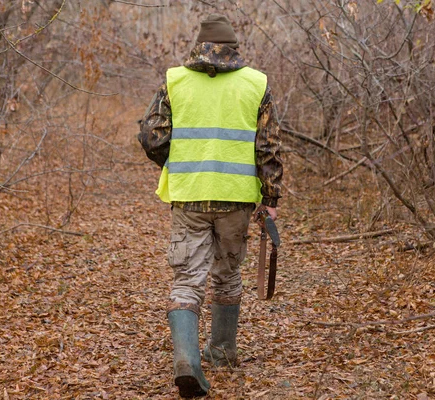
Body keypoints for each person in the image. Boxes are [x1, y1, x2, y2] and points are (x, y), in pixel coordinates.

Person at [137, 13, 283, 398]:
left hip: (189, 195)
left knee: (187, 279)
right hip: (236, 198)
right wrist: (270, 199)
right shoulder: (257, 83)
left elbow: (151, 136)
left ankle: (187, 361)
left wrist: (177, 160)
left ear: (199, 45)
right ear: (234, 47)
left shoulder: (175, 80)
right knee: (227, 275)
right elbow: (267, 146)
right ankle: (221, 353)